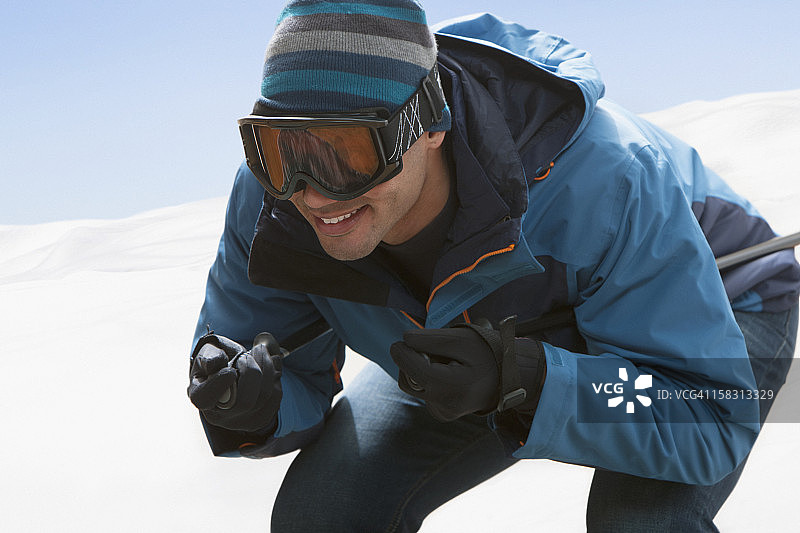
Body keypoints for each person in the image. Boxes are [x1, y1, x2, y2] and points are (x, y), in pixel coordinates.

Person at [186, 2, 800, 531]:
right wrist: (251, 405)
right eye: (279, 147)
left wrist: (529, 384)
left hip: (719, 308)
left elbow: (707, 417)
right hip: (481, 351)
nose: (311, 193)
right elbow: (279, 364)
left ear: (425, 124)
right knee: (322, 516)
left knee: (638, 523)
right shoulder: (276, 206)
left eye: (345, 152)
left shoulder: (607, 183)